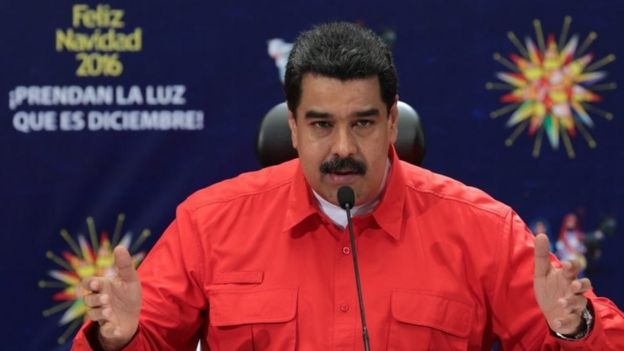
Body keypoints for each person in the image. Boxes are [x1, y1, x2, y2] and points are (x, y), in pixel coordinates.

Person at [72, 22, 624, 350]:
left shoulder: (480, 228)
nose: (342, 148)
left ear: (392, 122)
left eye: (361, 123)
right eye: (320, 125)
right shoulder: (210, 223)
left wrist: (575, 329)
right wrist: (114, 340)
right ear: (291, 127)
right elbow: (134, 340)